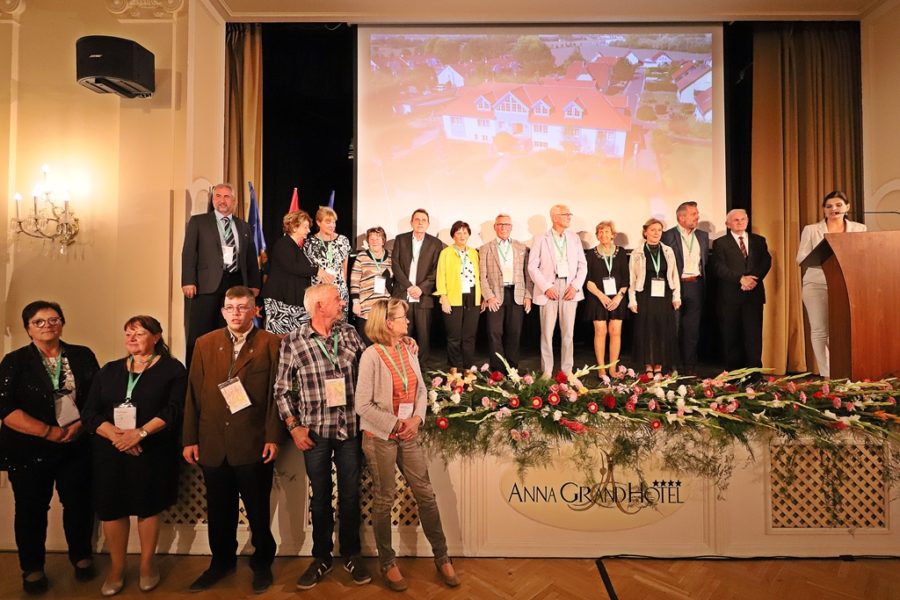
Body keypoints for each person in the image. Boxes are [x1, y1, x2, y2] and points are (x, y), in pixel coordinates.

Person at [182, 286, 282, 594]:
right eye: (230, 307)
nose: (235, 313)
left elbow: (277, 396)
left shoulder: (272, 343)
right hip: (213, 442)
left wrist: (273, 436)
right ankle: (221, 562)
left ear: (254, 310)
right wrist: (190, 439)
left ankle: (262, 563)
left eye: (242, 307)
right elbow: (193, 393)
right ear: (223, 311)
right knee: (219, 509)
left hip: (253, 442)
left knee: (258, 509)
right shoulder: (204, 343)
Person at [355, 299, 460, 591]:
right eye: (403, 318)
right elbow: (362, 405)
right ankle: (387, 563)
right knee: (384, 499)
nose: (408, 321)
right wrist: (395, 424)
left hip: (409, 433)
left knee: (426, 495)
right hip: (380, 437)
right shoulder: (371, 356)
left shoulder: (408, 348)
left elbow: (422, 390)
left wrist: (417, 419)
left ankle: (442, 556)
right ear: (388, 323)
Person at [274, 284, 372, 590]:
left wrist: (402, 343)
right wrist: (294, 426)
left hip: (350, 430)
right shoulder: (293, 341)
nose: (342, 303)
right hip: (314, 432)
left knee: (351, 495)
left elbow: (370, 367)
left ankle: (352, 554)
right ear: (319, 306)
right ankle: (321, 557)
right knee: (320, 498)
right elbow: (281, 390)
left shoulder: (350, 334)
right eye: (336, 299)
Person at [81, 316, 187, 595]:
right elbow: (90, 413)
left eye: (138, 333)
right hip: (111, 451)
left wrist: (140, 434)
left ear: (156, 336)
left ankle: (147, 565)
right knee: (111, 509)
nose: (131, 338)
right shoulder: (109, 370)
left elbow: (174, 410)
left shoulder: (172, 369)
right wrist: (118, 437)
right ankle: (116, 569)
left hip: (151, 450)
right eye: (127, 333)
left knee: (147, 506)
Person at [0, 301, 100, 595]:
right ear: (28, 328)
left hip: (75, 445)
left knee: (79, 505)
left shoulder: (82, 355)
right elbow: (5, 408)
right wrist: (48, 432)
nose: (48, 326)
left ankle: (81, 557)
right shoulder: (14, 361)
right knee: (30, 510)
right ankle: (32, 568)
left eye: (54, 319)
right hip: (28, 449)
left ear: (62, 323)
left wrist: (78, 427)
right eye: (39, 321)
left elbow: (96, 398)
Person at [181, 183, 261, 365]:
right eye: (218, 196)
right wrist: (188, 280)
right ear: (212, 199)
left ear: (234, 201)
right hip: (205, 285)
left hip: (235, 283)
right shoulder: (198, 222)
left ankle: (225, 370)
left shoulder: (243, 226)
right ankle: (195, 374)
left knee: (229, 332)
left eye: (226, 197)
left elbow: (250, 257)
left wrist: (254, 284)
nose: (222, 200)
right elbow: (189, 253)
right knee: (200, 332)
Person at [796, 190, 867, 377]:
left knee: (846, 330)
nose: (833, 209)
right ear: (824, 210)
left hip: (847, 285)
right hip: (816, 284)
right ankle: (827, 374)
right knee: (820, 330)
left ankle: (848, 371)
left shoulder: (860, 229)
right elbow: (800, 258)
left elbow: (863, 255)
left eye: (838, 205)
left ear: (847, 207)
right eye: (829, 206)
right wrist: (825, 259)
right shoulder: (812, 230)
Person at [527, 204, 588, 378]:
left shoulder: (574, 238)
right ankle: (547, 370)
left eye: (569, 214)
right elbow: (532, 266)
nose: (569, 217)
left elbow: (582, 265)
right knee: (547, 333)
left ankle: (567, 370)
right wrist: (546, 287)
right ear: (554, 217)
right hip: (549, 288)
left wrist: (575, 286)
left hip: (569, 288)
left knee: (568, 333)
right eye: (565, 214)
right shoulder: (540, 238)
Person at [712, 209, 772, 370]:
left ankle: (754, 373)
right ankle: (734, 373)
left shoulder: (759, 240)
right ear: (727, 224)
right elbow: (718, 267)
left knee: (753, 336)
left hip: (753, 294)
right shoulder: (720, 243)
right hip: (730, 296)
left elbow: (766, 261)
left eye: (743, 219)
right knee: (732, 336)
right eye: (736, 220)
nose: (740, 222)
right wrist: (740, 279)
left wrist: (753, 279)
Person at [479, 213, 532, 372]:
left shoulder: (522, 247)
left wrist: (528, 295)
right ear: (495, 227)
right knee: (494, 333)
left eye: (507, 225)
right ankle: (497, 370)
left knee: (514, 332)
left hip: (516, 294)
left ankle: (512, 369)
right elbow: (482, 276)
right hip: (495, 295)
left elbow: (527, 274)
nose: (503, 227)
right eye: (500, 224)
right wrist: (489, 296)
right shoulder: (485, 248)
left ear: (511, 227)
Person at [661, 201, 709, 375]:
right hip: (675, 286)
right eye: (693, 214)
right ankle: (670, 367)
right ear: (681, 217)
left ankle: (690, 368)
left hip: (695, 285)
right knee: (673, 327)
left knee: (692, 329)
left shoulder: (702, 236)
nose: (697, 217)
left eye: (697, 213)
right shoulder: (668, 236)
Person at [391, 208, 444, 367]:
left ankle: (422, 369)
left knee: (423, 335)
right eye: (417, 219)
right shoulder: (400, 239)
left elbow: (436, 270)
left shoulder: (435, 243)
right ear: (411, 222)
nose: (420, 223)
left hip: (424, 296)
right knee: (402, 332)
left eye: (423, 220)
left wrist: (421, 288)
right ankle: (402, 366)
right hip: (403, 294)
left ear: (428, 224)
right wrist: (408, 286)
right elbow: (395, 265)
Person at [629, 218, 681, 375]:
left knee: (662, 329)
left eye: (659, 230)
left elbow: (674, 275)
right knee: (647, 330)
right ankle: (648, 365)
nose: (656, 233)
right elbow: (632, 278)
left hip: (664, 294)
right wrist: (632, 299)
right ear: (645, 232)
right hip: (645, 294)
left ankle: (659, 365)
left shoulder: (668, 251)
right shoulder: (637, 252)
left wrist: (676, 296)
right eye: (652, 230)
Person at [260, 209, 319, 334]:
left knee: (296, 336)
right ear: (294, 227)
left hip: (291, 301)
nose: (309, 231)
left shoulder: (294, 246)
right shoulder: (283, 244)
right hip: (280, 302)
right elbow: (293, 267)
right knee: (279, 337)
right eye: (305, 227)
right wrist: (317, 271)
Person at [584, 221, 630, 377]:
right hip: (597, 298)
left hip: (617, 299)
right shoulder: (591, 254)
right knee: (600, 331)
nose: (603, 235)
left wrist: (618, 297)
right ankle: (601, 369)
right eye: (600, 232)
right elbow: (588, 281)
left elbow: (626, 279)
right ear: (597, 235)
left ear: (613, 235)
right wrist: (602, 296)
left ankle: (612, 368)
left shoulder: (621, 252)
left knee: (615, 332)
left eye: (606, 232)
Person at [436, 220, 482, 369]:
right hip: (453, 297)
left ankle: (468, 369)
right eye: (458, 232)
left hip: (472, 296)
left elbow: (480, 276)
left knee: (469, 336)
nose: (462, 236)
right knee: (454, 336)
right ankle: (454, 369)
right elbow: (440, 276)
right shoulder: (446, 253)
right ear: (453, 235)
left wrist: (482, 298)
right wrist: (444, 298)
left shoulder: (474, 252)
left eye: (465, 232)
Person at [305, 206, 352, 316]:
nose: (332, 225)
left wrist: (342, 289)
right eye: (328, 222)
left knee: (339, 323)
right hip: (319, 293)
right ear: (318, 222)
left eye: (334, 222)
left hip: (339, 292)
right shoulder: (309, 242)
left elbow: (344, 270)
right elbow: (308, 268)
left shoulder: (343, 240)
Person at [350, 226, 394, 343]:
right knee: (366, 343)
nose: (374, 242)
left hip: (385, 307)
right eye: (371, 239)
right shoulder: (362, 257)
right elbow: (354, 281)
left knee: (383, 342)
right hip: (366, 307)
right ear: (368, 241)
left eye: (378, 239)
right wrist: (356, 303)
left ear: (383, 241)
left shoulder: (391, 257)